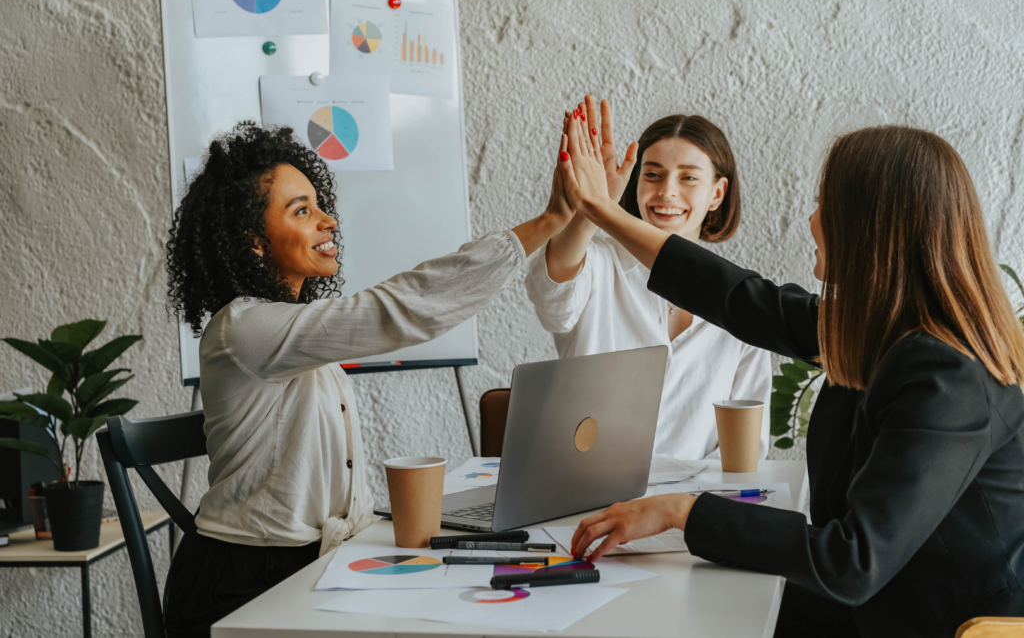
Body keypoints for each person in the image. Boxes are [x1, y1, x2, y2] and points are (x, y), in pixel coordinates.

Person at [558, 102, 1024, 637]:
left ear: (872, 230)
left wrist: (683, 511)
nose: (811, 222)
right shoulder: (885, 332)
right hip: (879, 605)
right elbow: (738, 297)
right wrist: (602, 211)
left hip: (937, 623)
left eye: (825, 205)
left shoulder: (948, 374)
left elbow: (850, 561)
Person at [162, 121, 575, 637]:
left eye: (319, 204)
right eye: (302, 211)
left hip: (310, 565)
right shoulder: (245, 328)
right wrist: (550, 221)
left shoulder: (289, 329)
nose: (328, 221)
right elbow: (396, 310)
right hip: (243, 584)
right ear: (253, 243)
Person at [526, 97, 770, 460]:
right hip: (588, 499)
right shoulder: (597, 263)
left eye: (688, 177)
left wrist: (687, 510)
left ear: (717, 194)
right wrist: (594, 206)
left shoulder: (742, 299)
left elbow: (746, 448)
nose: (667, 191)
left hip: (690, 507)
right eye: (652, 174)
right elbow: (551, 296)